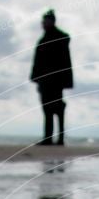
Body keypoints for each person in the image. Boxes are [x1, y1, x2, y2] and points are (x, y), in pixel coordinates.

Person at [30, 9, 73, 146]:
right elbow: (37, 61)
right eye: (43, 22)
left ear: (52, 21)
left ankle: (59, 138)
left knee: (57, 108)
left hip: (56, 80)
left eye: (45, 21)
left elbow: (64, 60)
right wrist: (36, 77)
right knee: (48, 109)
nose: (43, 24)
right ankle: (48, 137)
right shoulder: (43, 39)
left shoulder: (59, 37)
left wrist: (64, 79)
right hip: (45, 80)